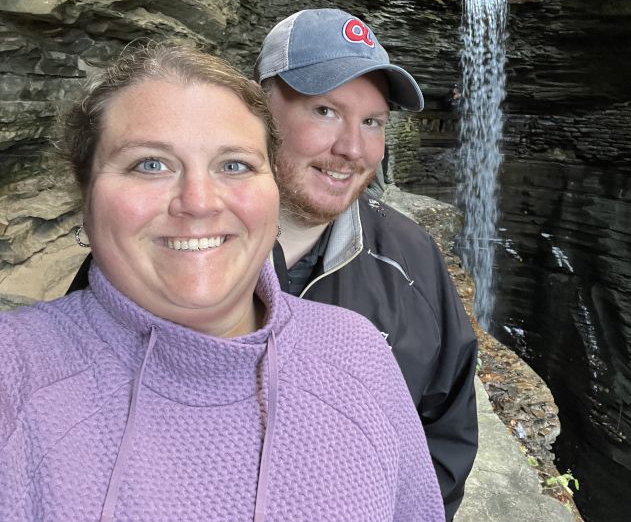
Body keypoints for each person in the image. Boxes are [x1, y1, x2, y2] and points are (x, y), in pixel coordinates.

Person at [1, 43, 444, 521]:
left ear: (272, 190)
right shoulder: (15, 373)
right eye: (150, 164)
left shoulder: (361, 354)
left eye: (234, 165)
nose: (199, 202)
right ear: (84, 195)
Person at [254, 8, 478, 520]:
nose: (351, 149)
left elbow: (444, 431)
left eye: (372, 121)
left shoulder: (414, 260)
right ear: (258, 108)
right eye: (325, 111)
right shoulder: (175, 246)